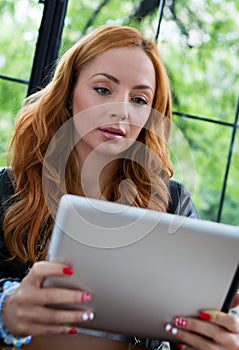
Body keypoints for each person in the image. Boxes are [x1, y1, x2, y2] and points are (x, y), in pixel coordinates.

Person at [0, 24, 238, 350]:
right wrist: (6, 314)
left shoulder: (173, 203)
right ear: (69, 95)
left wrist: (213, 339)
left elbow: (176, 333)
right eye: (103, 90)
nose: (121, 110)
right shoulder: (6, 189)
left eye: (139, 99)